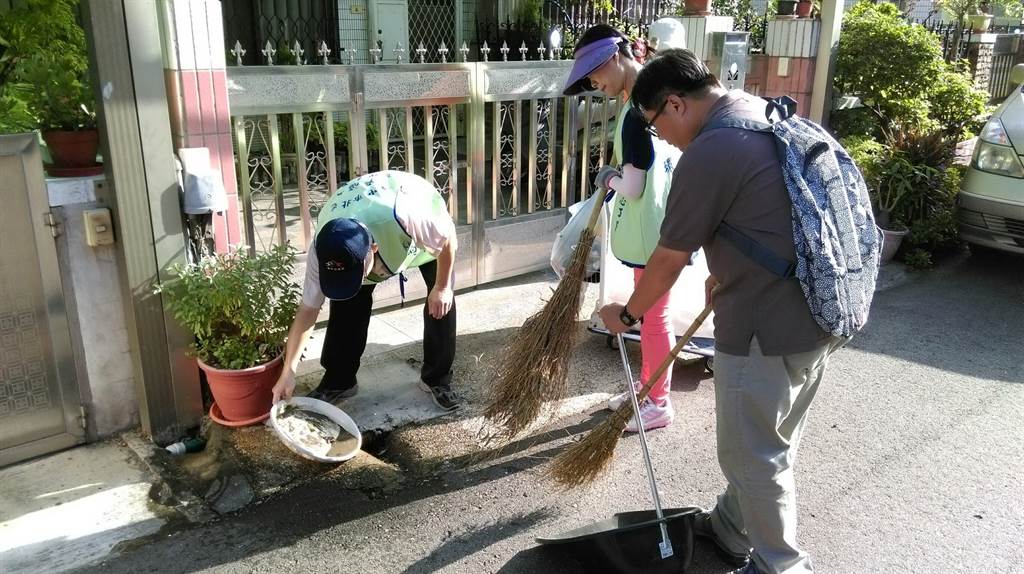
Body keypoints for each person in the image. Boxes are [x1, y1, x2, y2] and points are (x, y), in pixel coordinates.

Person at [600, 49, 848, 574]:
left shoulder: (711, 151)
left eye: (653, 124)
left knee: (752, 455)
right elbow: (766, 213)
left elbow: (666, 260)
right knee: (768, 439)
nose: (658, 136)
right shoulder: (761, 114)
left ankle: (782, 566)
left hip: (764, 325)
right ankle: (733, 530)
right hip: (818, 314)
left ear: (675, 104)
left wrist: (627, 314)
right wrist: (728, 269)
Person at [563, 24, 683, 432]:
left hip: (650, 233)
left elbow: (632, 187)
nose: (594, 83)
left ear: (615, 57)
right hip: (661, 223)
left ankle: (658, 401)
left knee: (653, 317)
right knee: (654, 316)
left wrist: (609, 178)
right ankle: (648, 388)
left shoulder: (635, 115)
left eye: (594, 74)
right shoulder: (654, 98)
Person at [272, 170, 462, 411]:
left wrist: (443, 287)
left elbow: (448, 240)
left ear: (373, 248)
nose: (352, 280)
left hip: (420, 238)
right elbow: (308, 310)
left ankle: (437, 379)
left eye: (355, 272)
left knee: (440, 303)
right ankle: (339, 381)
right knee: (346, 304)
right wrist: (289, 370)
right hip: (370, 231)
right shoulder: (323, 247)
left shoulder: (410, 213)